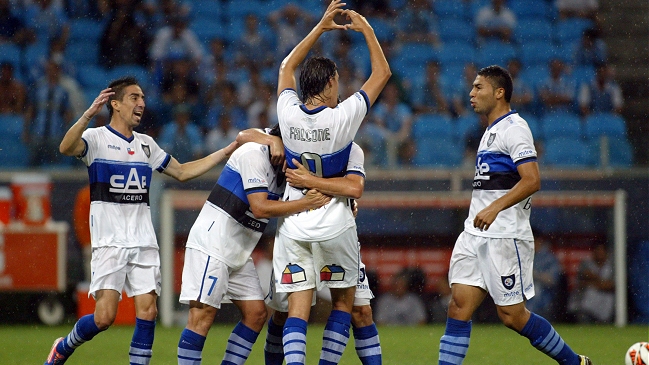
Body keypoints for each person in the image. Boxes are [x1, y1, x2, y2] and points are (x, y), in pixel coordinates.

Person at [44, 76, 239, 365]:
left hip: (144, 241)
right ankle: (64, 346)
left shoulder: (146, 145)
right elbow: (65, 147)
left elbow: (183, 171)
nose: (142, 103)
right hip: (110, 243)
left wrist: (225, 152)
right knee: (104, 317)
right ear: (116, 104)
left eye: (143, 98)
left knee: (148, 312)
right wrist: (87, 114)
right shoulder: (97, 139)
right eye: (134, 97)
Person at [436, 65, 591, 365]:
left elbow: (532, 179)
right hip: (475, 235)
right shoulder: (489, 131)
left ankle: (575, 363)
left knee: (512, 316)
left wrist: (495, 207)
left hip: (504, 237)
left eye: (478, 87)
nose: (471, 93)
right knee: (458, 307)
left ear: (499, 92)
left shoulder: (514, 128)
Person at [273, 1, 390, 364]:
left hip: (295, 224)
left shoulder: (286, 112)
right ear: (327, 84)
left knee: (298, 310)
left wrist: (320, 27)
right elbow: (382, 73)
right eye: (338, 81)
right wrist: (368, 30)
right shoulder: (342, 119)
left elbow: (286, 66)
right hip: (335, 223)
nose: (341, 87)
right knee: (343, 303)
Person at [176, 125, 330, 365]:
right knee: (202, 316)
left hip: (239, 250)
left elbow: (320, 191)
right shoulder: (253, 153)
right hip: (213, 243)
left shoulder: (288, 168)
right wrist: (306, 203)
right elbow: (259, 207)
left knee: (256, 315)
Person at [263, 145, 382, 365]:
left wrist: (310, 181)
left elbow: (354, 189)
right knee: (284, 313)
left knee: (361, 312)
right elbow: (250, 135)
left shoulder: (349, 147)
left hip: (337, 231)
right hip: (297, 230)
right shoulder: (291, 137)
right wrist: (274, 141)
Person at [570, 243, 614, 323]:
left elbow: (611, 286)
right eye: (597, 251)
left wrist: (594, 280)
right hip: (586, 305)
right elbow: (582, 282)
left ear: (606, 252)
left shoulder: (612, 265)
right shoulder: (586, 263)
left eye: (601, 251)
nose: (599, 253)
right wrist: (602, 283)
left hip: (605, 303)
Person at [526, 236, 563, 320]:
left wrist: (534, 274)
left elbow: (552, 280)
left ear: (539, 241)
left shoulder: (549, 258)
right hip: (522, 298)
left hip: (545, 299)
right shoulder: (523, 256)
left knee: (536, 288)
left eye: (531, 241)